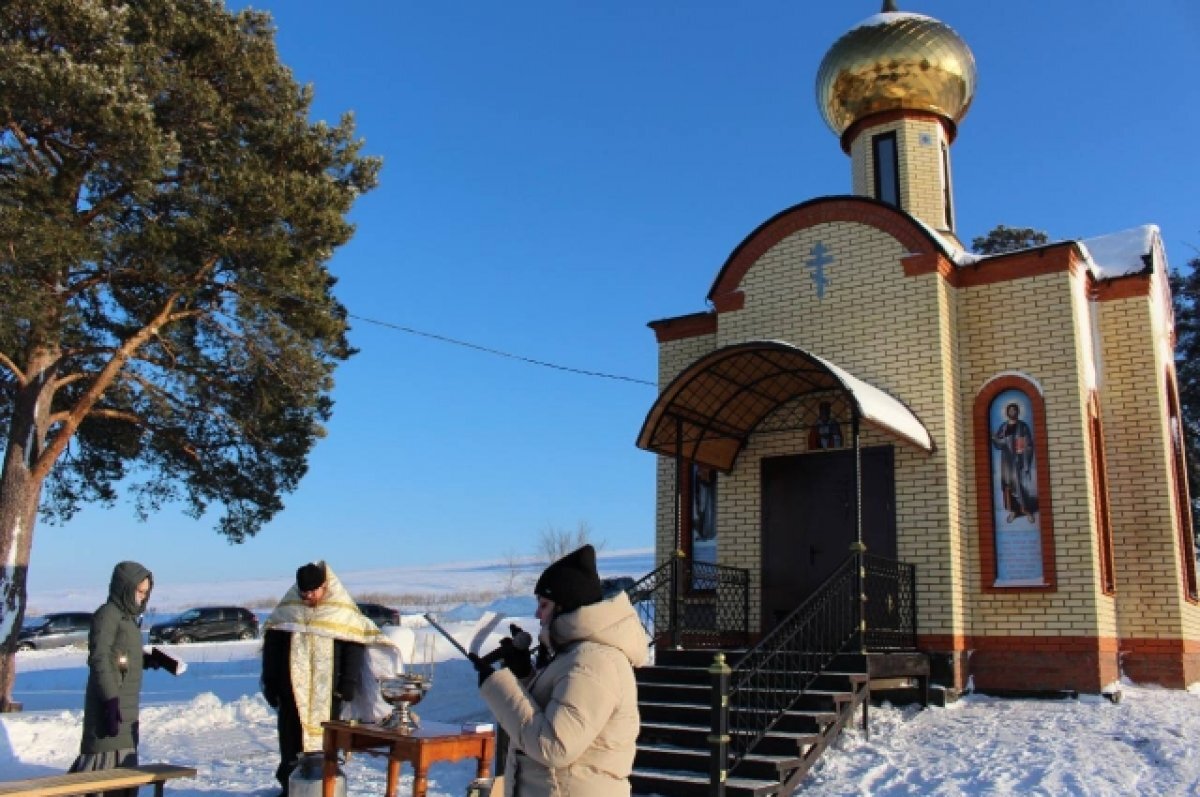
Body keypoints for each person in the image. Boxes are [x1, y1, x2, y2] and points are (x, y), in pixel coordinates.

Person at [473, 544, 648, 796]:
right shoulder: (577, 655)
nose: (537, 614)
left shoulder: (594, 662)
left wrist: (499, 688)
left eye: (544, 605)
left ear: (564, 606)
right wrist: (523, 675)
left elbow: (555, 746)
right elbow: (554, 713)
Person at [260, 561, 383, 795]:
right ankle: (291, 787)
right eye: (304, 592)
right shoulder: (288, 611)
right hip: (291, 691)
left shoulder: (342, 612)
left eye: (313, 591)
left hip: (329, 692)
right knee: (291, 740)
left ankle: (325, 787)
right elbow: (273, 647)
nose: (308, 596)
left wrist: (348, 682)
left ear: (325, 586)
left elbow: (353, 647)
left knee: (326, 743)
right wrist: (270, 682)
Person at [68, 560, 156, 797]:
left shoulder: (128, 619)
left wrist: (148, 660)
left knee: (124, 775)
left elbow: (121, 654)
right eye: (139, 591)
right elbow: (99, 658)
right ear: (125, 588)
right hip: (109, 708)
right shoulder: (108, 615)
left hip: (126, 709)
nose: (142, 597)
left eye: (146, 592)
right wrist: (110, 700)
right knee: (101, 772)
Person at [991, 401, 1038, 523]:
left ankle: (1025, 509)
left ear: (1018, 412)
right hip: (1007, 461)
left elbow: (1028, 444)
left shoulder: (1023, 426)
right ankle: (1013, 510)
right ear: (1007, 413)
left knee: (1020, 484)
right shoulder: (1004, 427)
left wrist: (1023, 452)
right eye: (1010, 410)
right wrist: (996, 439)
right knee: (1008, 484)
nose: (1012, 412)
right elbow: (999, 444)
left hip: (1019, 460)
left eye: (1014, 410)